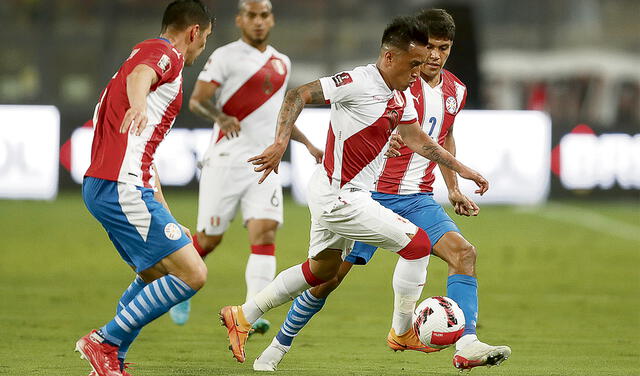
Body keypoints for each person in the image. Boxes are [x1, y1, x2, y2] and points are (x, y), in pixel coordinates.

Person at [219, 15, 489, 365]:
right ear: (390, 57)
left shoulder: (403, 95)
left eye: (429, 59)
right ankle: (401, 330)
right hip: (344, 196)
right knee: (416, 245)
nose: (418, 72)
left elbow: (419, 139)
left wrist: (462, 172)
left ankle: (242, 316)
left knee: (320, 273)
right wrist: (279, 143)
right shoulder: (357, 82)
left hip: (356, 193)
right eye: (414, 64)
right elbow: (297, 94)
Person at [74, 2, 213, 375]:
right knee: (192, 274)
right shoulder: (165, 53)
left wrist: (167, 215)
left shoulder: (147, 53)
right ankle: (104, 341)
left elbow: (146, 157)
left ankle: (112, 359)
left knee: (156, 273)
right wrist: (137, 106)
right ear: (194, 32)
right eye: (206, 39)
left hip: (117, 183)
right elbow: (141, 75)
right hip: (120, 185)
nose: (203, 49)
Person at [168, 0, 322, 328]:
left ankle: (251, 312)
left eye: (264, 15)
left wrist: (307, 143)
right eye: (251, 15)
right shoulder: (224, 56)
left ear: (272, 20)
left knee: (265, 232)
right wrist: (220, 116)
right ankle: (177, 290)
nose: (258, 21)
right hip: (225, 160)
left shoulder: (282, 62)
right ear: (240, 20)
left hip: (264, 162)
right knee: (209, 239)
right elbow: (197, 100)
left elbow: (278, 116)